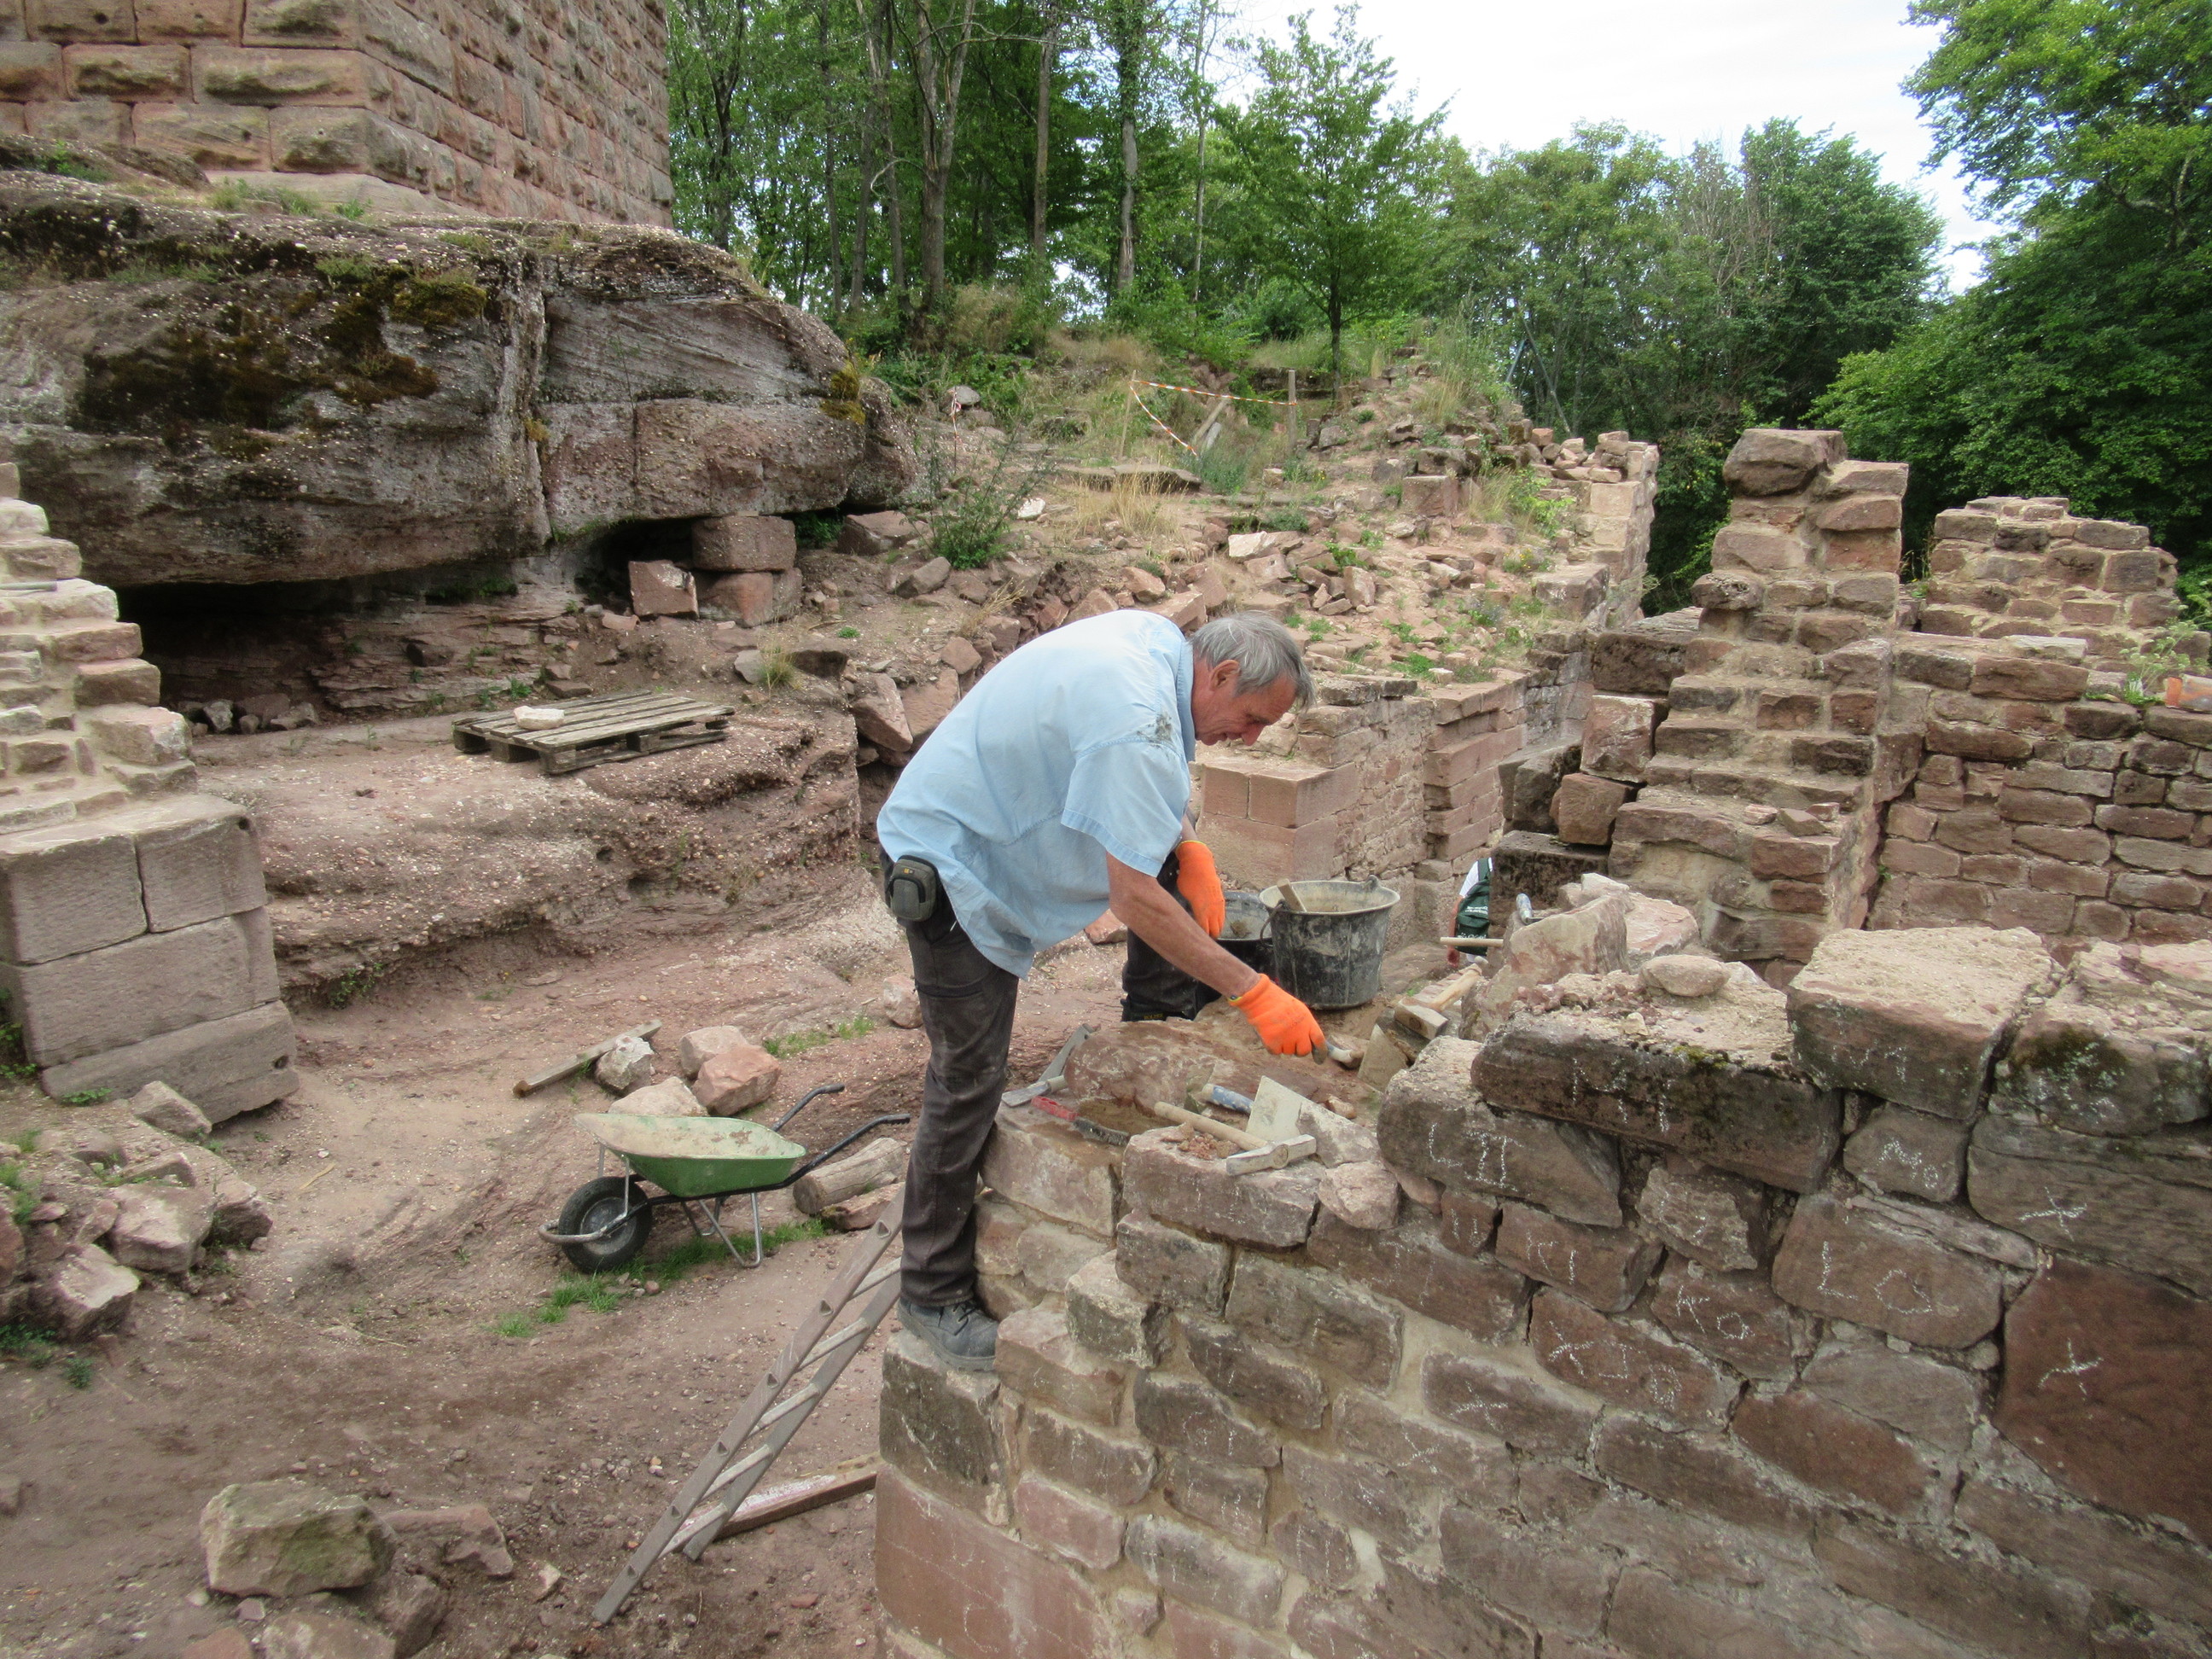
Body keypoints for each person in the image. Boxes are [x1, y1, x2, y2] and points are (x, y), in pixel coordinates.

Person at [874, 608, 1325, 1370]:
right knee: (968, 1078)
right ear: (1219, 675)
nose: (1249, 739)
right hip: (951, 863)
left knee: (1167, 869)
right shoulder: (1136, 714)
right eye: (1251, 719)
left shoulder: (1161, 647)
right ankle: (931, 1295)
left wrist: (1186, 842)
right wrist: (1253, 992)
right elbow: (1133, 896)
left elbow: (1138, 778)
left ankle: (1148, 1036)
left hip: (1000, 828)